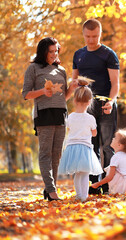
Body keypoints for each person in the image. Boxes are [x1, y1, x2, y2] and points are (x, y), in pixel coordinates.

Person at [22, 37, 77, 201]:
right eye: (51, 52)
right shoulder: (33, 68)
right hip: (44, 114)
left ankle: (49, 189)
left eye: (56, 51)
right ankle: (52, 191)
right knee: (45, 154)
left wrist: (72, 89)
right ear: (43, 52)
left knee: (57, 154)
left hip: (60, 114)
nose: (54, 54)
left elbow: (64, 97)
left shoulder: (61, 70)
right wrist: (42, 92)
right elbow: (25, 94)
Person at [72, 18, 120, 194]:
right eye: (88, 36)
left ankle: (108, 185)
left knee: (108, 146)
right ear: (83, 34)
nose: (92, 40)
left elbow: (115, 83)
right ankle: (93, 185)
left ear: (100, 34)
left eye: (95, 36)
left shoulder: (108, 54)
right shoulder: (78, 55)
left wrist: (111, 101)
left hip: (106, 105)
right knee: (89, 146)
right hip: (87, 107)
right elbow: (74, 82)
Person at [58, 81, 104, 202]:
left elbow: (69, 129)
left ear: (74, 100)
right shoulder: (90, 118)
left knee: (77, 174)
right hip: (85, 148)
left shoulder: (71, 116)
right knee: (85, 173)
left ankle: (79, 195)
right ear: (89, 102)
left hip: (72, 148)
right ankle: (84, 196)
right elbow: (94, 133)